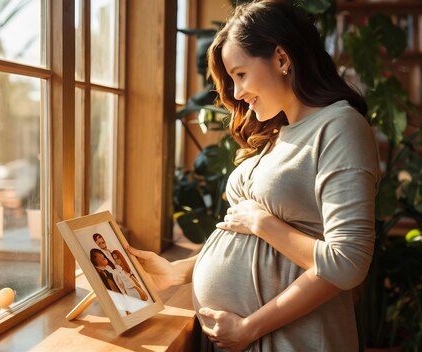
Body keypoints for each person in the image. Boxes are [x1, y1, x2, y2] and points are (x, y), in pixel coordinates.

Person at [130, 1, 380, 351]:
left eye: (241, 74)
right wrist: (178, 272)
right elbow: (261, 247)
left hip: (294, 340)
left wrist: (249, 326)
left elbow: (347, 263)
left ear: (281, 59)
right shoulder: (280, 131)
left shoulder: (339, 127)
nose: (236, 93)